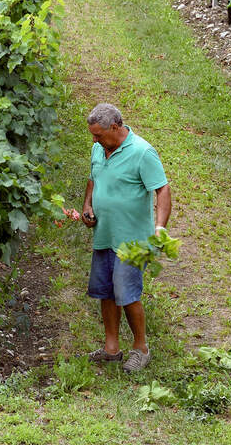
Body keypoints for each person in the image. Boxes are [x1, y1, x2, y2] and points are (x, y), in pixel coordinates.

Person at [81, 103, 172, 372]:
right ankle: (111, 349)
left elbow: (162, 190)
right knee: (106, 293)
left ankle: (141, 348)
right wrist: (88, 206)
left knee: (127, 293)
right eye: (93, 135)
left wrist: (160, 228)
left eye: (98, 135)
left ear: (116, 127)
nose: (95, 140)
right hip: (104, 235)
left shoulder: (142, 152)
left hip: (132, 240)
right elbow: (93, 180)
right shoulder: (99, 148)